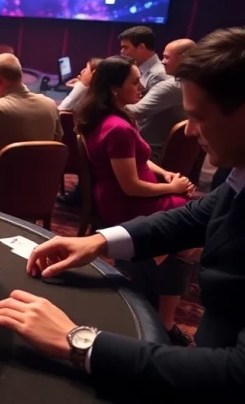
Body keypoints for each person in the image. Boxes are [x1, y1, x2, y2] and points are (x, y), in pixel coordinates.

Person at [0, 27, 245, 400]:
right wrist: (99, 241)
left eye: (199, 116)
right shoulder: (238, 175)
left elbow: (235, 374)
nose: (189, 131)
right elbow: (200, 214)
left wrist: (78, 340)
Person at [76, 55, 195, 342]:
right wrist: (173, 188)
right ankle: (163, 318)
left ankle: (150, 267)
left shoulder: (110, 116)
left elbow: (137, 157)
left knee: (188, 229)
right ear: (115, 88)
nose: (141, 87)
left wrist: (164, 173)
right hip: (126, 201)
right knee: (191, 232)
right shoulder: (116, 127)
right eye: (135, 82)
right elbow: (130, 187)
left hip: (126, 193)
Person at [126, 39, 194, 160]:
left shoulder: (172, 86)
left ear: (183, 58)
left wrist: (108, 98)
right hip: (173, 153)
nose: (162, 62)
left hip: (149, 151)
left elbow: (135, 113)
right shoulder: (194, 83)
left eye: (167, 57)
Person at [119, 25, 166, 93]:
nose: (122, 51)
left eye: (125, 47)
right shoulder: (136, 70)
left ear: (141, 47)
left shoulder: (158, 75)